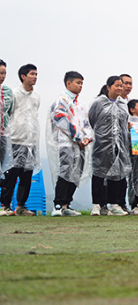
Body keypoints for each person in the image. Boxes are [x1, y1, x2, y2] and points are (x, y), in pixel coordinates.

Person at [48, 71, 93, 217]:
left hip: (80, 144)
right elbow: (62, 121)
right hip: (65, 143)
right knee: (65, 172)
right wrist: (78, 137)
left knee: (76, 174)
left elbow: (86, 123)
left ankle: (67, 203)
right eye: (77, 83)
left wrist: (87, 138)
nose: (80, 86)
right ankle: (58, 204)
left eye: (82, 83)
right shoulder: (62, 100)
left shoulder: (81, 104)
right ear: (68, 83)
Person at [0, 63, 41, 216]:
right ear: (23, 76)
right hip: (15, 140)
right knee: (11, 174)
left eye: (36, 74)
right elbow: (8, 113)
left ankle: (21, 206)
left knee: (26, 175)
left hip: (30, 141)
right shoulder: (14, 94)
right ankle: (5, 206)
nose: (35, 77)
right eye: (32, 74)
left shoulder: (37, 95)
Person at [88, 76, 132, 216]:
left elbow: (125, 122)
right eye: (117, 86)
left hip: (119, 145)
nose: (120, 88)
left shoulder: (123, 104)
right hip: (101, 145)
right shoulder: (99, 102)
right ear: (108, 87)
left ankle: (114, 204)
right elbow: (91, 120)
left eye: (121, 86)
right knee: (99, 174)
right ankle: (97, 205)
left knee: (117, 173)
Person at [0, 60, 14, 182]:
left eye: (4, 73)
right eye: (0, 73)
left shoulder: (7, 92)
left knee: (4, 170)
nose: (3, 76)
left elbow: (9, 113)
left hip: (3, 135)